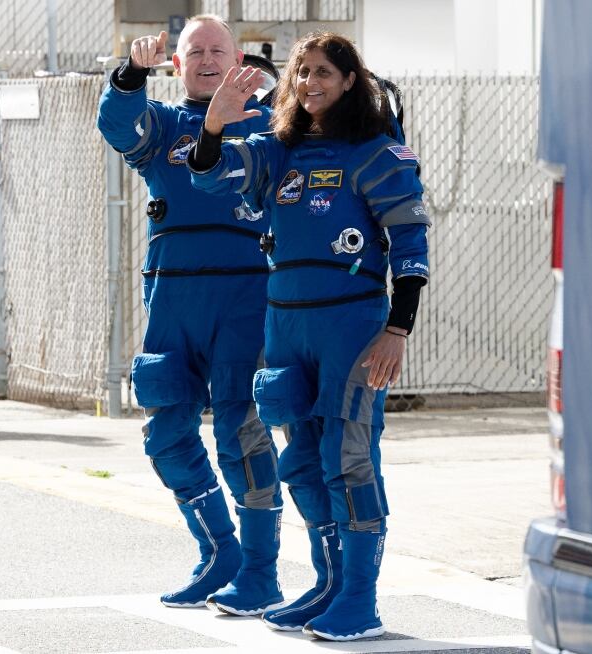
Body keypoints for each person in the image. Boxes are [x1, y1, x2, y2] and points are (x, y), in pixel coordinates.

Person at [189, 32, 431, 641]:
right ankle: (326, 585)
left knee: (347, 459)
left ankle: (359, 598)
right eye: (302, 73)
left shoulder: (376, 153)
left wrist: (396, 329)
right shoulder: (279, 150)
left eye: (324, 72)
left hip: (352, 327)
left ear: (350, 79)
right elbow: (214, 179)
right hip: (287, 325)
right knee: (299, 460)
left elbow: (410, 244)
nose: (310, 83)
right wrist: (214, 128)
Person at [96, 16, 284, 616]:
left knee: (242, 431)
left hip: (245, 297)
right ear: (177, 65)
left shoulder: (271, 124)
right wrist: (130, 75)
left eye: (217, 49)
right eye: (194, 51)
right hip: (171, 296)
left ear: (239, 59)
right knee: (166, 430)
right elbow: (116, 125)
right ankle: (218, 552)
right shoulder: (164, 126)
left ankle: (260, 573)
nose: (206, 58)